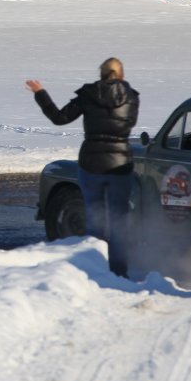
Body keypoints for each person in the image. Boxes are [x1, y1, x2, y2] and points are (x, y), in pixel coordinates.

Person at [26, 58, 140, 275]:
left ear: (101, 74)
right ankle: (119, 271)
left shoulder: (88, 95)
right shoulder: (132, 97)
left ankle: (96, 270)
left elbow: (59, 118)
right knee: (119, 220)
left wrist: (40, 93)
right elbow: (130, 123)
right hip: (120, 163)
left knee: (94, 218)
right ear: (122, 75)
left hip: (91, 162)